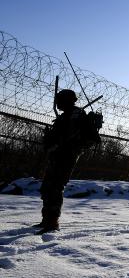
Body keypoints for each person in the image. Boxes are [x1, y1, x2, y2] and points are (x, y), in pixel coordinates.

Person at [36, 89, 100, 234]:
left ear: (67, 100)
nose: (57, 103)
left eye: (60, 100)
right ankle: (46, 219)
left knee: (55, 187)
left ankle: (53, 222)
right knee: (47, 187)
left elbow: (91, 138)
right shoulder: (65, 116)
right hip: (56, 155)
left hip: (67, 156)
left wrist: (72, 145)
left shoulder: (78, 116)